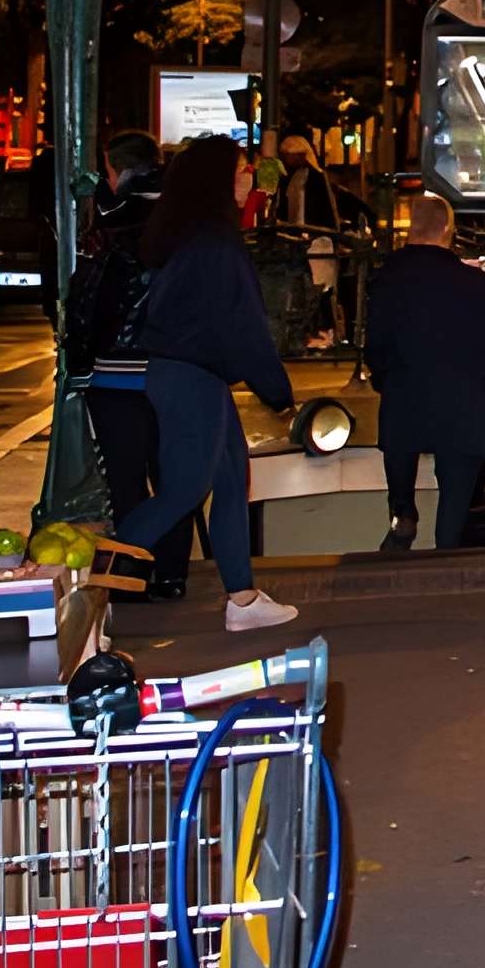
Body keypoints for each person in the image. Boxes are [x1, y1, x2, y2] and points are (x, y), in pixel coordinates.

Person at [116, 137, 299, 632]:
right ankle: (89, 580)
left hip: (189, 373)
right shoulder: (217, 244)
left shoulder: (194, 236)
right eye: (241, 170)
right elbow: (245, 328)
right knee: (184, 490)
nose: (249, 181)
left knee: (228, 479)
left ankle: (242, 597)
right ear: (216, 180)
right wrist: (279, 395)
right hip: (192, 376)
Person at [68, 131, 190, 600]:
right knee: (173, 476)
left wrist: (79, 356)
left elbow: (87, 301)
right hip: (171, 370)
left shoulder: (108, 224)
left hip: (116, 374)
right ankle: (173, 573)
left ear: (114, 170)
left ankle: (132, 575)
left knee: (125, 480)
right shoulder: (183, 220)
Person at [365, 193, 485, 550]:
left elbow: (375, 347)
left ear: (410, 230)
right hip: (465, 409)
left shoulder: (386, 279)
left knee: (401, 467)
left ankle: (402, 513)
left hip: (405, 403)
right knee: (454, 512)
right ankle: (446, 563)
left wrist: (385, 381)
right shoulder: (474, 283)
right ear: (448, 229)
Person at [275, 131, 350, 348]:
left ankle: (325, 333)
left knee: (321, 288)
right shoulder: (286, 180)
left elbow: (326, 211)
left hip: (318, 242)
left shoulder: (316, 178)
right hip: (296, 241)